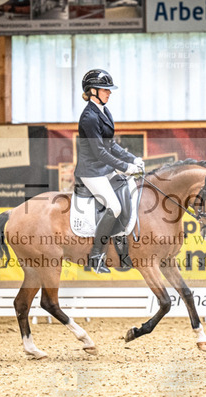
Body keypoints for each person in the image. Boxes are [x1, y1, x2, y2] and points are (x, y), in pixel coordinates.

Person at [74, 69, 144, 273]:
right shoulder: (89, 117)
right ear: (93, 91)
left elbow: (111, 145)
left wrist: (132, 159)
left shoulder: (104, 111)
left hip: (104, 168)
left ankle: (121, 249)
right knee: (114, 206)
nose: (109, 93)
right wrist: (126, 167)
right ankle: (96, 256)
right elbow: (100, 152)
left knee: (128, 193)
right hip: (91, 171)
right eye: (105, 90)